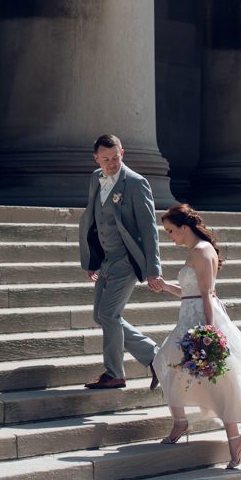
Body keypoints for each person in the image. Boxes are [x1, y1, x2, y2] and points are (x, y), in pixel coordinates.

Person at [151, 203, 241, 469]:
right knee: (165, 364)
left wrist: (208, 332)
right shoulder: (194, 251)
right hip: (188, 318)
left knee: (219, 380)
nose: (170, 237)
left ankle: (235, 440)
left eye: (171, 231)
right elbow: (191, 292)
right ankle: (181, 422)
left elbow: (207, 294)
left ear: (184, 227)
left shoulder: (202, 251)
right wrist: (164, 287)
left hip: (200, 322)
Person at [79, 134, 161, 390]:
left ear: (122, 153)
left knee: (108, 314)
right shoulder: (95, 178)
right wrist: (91, 259)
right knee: (101, 315)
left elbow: (149, 229)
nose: (112, 163)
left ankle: (114, 373)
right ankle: (154, 357)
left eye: (115, 158)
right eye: (106, 159)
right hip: (105, 260)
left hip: (127, 260)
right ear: (96, 158)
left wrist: (153, 269)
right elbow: (93, 218)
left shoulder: (136, 183)